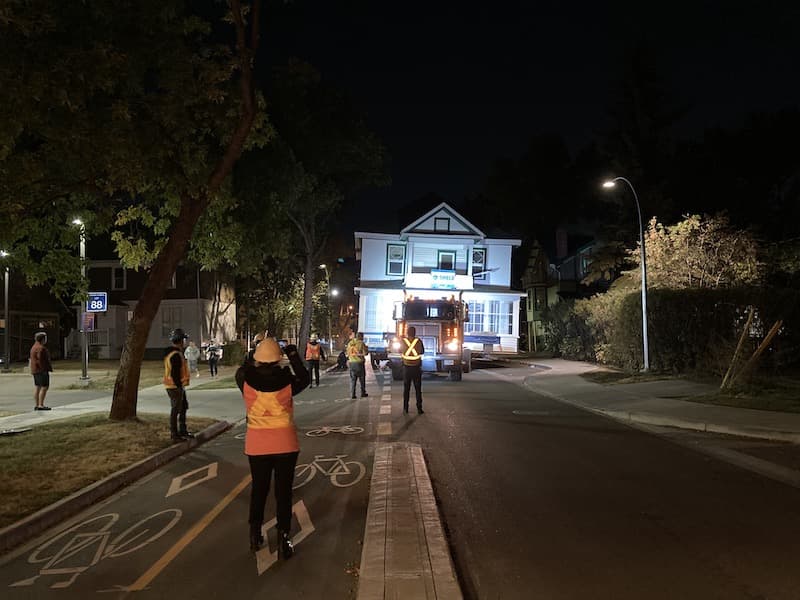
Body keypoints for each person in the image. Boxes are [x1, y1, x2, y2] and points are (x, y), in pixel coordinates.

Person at [235, 338, 309, 558]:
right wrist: (293, 354)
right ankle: (284, 537)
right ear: (278, 358)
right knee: (283, 492)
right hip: (285, 443)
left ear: (258, 358)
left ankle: (254, 532)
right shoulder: (287, 381)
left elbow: (242, 368)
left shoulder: (245, 380)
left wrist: (254, 352)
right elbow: (304, 379)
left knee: (259, 489)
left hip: (257, 444)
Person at [163, 328, 194, 442]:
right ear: (181, 341)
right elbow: (175, 373)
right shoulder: (175, 355)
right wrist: (179, 385)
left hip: (176, 386)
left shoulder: (174, 353)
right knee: (176, 410)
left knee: (183, 407)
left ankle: (182, 430)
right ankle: (174, 434)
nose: (185, 342)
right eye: (184, 339)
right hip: (175, 387)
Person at [401, 326, 425, 414]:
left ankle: (405, 408)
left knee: (406, 389)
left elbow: (400, 350)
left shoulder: (403, 341)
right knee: (418, 389)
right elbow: (422, 351)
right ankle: (419, 408)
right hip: (416, 368)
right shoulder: (418, 341)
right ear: (415, 333)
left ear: (407, 333)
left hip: (406, 367)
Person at [30, 331, 53, 411]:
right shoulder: (41, 348)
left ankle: (37, 404)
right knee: (44, 387)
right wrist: (44, 369)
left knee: (38, 387)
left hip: (35, 370)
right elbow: (40, 360)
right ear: (43, 339)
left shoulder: (34, 347)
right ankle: (41, 405)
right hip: (41, 370)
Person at [346, 331, 369, 399]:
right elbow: (365, 353)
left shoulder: (350, 343)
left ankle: (353, 394)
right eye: (362, 337)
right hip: (359, 363)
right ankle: (363, 392)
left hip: (351, 363)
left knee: (353, 379)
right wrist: (365, 351)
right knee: (362, 379)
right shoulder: (361, 343)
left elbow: (348, 353)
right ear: (360, 337)